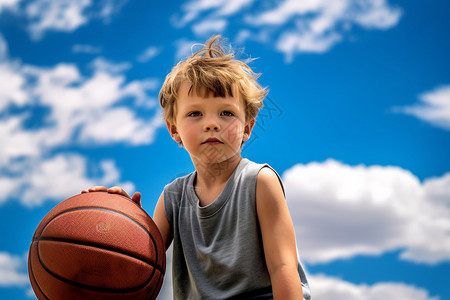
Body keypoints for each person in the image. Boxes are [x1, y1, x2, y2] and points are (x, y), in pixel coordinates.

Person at [82, 35, 310, 300]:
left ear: (247, 127)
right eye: (195, 113)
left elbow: (283, 266)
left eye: (226, 113)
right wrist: (118, 218)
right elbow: (140, 262)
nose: (212, 123)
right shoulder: (173, 196)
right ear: (174, 129)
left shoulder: (259, 181)